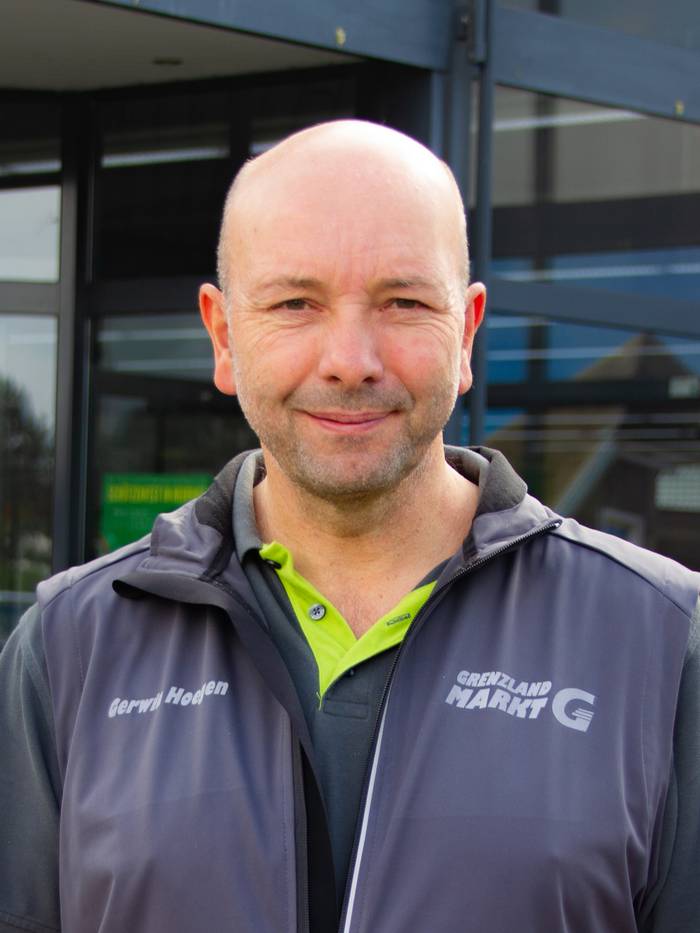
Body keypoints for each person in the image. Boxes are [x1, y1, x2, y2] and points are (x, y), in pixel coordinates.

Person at [0, 120, 698, 933]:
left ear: (466, 332)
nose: (351, 359)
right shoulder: (70, 647)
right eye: (296, 303)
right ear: (223, 335)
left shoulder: (658, 642)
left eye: (404, 302)